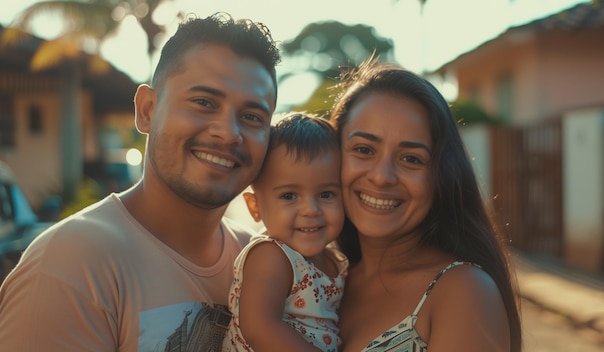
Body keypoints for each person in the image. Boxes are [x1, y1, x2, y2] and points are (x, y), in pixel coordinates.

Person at [0, 12, 281, 351]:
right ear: (147, 110)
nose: (228, 132)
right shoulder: (72, 265)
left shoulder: (264, 264)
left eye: (251, 117)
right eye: (204, 103)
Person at [329, 57, 522, 352]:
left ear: (440, 176)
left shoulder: (463, 291)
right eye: (364, 150)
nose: (382, 177)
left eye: (411, 159)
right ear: (331, 157)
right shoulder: (321, 279)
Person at [222, 113, 348, 352]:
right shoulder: (271, 255)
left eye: (326, 194)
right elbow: (260, 327)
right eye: (289, 196)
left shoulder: (335, 260)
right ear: (255, 206)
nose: (310, 210)